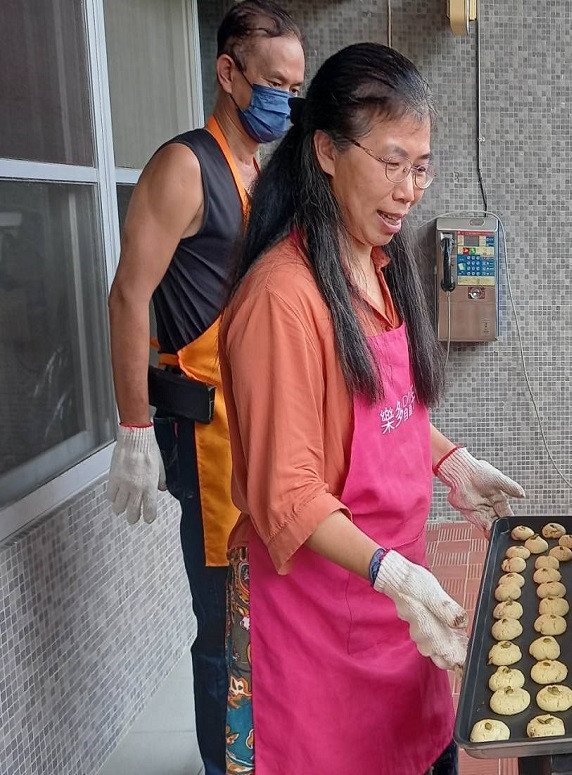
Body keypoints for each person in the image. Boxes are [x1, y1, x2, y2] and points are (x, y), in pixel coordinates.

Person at [218, 42, 525, 774]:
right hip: (312, 626)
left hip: (397, 617)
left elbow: (383, 410)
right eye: (392, 161)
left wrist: (449, 460)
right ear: (325, 150)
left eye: (422, 166)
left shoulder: (377, 267)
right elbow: (286, 493)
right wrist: (394, 573)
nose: (410, 188)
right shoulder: (281, 299)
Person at [104, 4, 304, 773]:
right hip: (210, 433)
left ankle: (267, 748)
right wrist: (132, 430)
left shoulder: (266, 170)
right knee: (223, 621)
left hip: (270, 425)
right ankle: (226, 764)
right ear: (228, 72)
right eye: (272, 83)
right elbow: (129, 296)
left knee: (274, 607)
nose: (283, 100)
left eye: (294, 86)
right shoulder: (185, 167)